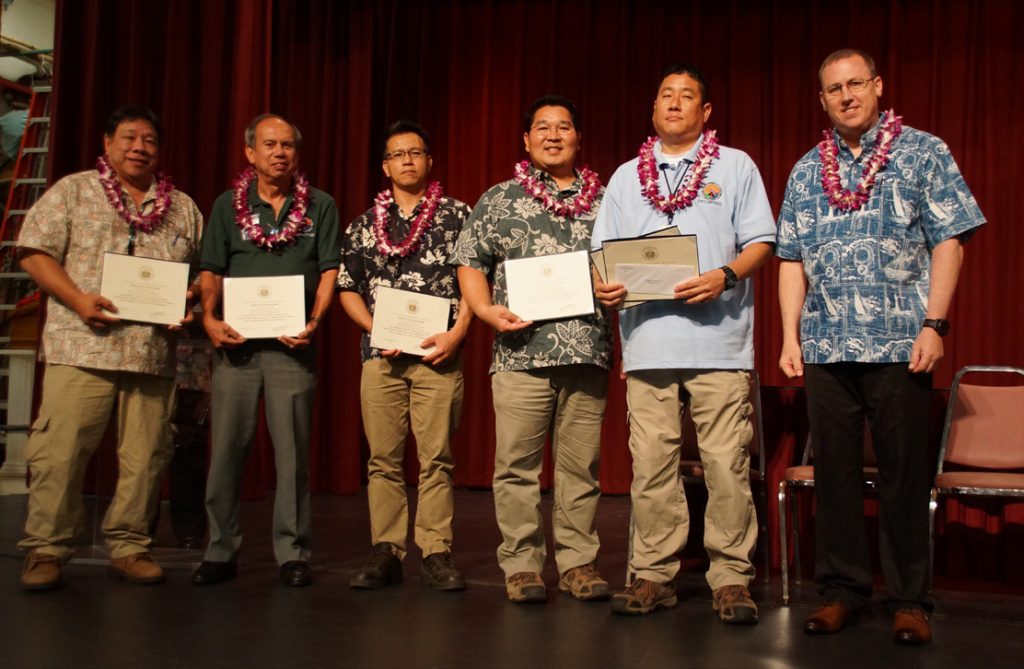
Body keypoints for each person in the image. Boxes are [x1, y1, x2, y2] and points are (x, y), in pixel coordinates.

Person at [776, 48, 985, 645]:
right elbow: (791, 258)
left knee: (902, 476)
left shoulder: (923, 151)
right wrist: (790, 336)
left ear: (877, 85)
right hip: (825, 343)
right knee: (835, 477)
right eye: (833, 89)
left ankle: (910, 600)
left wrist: (934, 325)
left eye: (855, 83)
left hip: (901, 344)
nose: (846, 95)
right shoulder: (804, 170)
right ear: (822, 100)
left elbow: (950, 241)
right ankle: (841, 593)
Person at [592, 64, 775, 621]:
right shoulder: (626, 176)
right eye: (665, 95)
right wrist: (607, 288)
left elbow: (762, 240)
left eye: (686, 95)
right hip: (648, 343)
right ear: (653, 110)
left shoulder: (735, 165)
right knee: (651, 465)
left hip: (719, 343)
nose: (674, 103)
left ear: (706, 111)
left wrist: (725, 274)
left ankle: (731, 579)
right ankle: (652, 575)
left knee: (726, 465)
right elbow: (603, 255)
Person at [16, 105, 203, 589]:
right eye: (129, 138)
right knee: (60, 451)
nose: (139, 147)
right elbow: (33, 252)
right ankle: (47, 549)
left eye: (149, 141)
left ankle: (130, 545)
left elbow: (202, 276)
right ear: (107, 143)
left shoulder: (182, 206)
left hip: (151, 353)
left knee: (148, 456)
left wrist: (189, 303)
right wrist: (78, 299)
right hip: (82, 346)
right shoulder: (73, 191)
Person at [452, 95, 612, 604]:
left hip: (587, 349)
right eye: (542, 127)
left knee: (579, 468)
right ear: (526, 140)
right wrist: (482, 310)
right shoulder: (500, 198)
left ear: (578, 138)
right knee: (516, 467)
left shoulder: (607, 199)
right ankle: (521, 565)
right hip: (521, 352)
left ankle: (578, 563)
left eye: (564, 127)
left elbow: (625, 263)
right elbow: (469, 260)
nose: (553, 135)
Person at [191, 113, 340, 588]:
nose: (280, 152)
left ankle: (292, 552)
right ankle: (220, 548)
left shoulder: (320, 206)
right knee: (226, 452)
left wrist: (315, 323)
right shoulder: (225, 207)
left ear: (298, 154)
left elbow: (330, 272)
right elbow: (212, 268)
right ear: (249, 152)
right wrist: (209, 320)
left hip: (292, 350)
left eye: (288, 146)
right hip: (235, 349)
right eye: (270, 144)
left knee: (292, 455)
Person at [338, 120, 472, 591]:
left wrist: (457, 335)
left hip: (439, 356)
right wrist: (377, 329)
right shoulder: (361, 225)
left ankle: (436, 550)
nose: (408, 161)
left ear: (429, 161)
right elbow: (347, 289)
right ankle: (387, 551)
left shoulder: (459, 216)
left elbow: (474, 286)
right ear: (385, 165)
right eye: (398, 154)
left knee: (437, 458)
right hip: (382, 358)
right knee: (383, 459)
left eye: (416, 153)